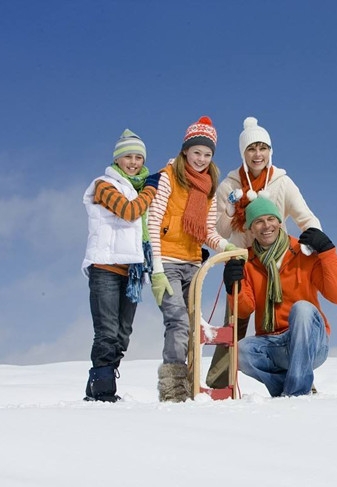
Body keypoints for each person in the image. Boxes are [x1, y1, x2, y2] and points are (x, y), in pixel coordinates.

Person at [208, 116, 321, 388]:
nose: (257, 154)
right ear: (243, 153)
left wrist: (310, 246)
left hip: (274, 262)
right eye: (251, 149)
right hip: (242, 262)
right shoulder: (229, 185)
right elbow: (219, 230)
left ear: (270, 151)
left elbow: (307, 219)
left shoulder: (282, 183)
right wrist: (230, 211)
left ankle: (299, 378)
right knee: (235, 321)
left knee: (282, 325)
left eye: (263, 148)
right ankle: (219, 384)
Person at [147, 115, 236, 402]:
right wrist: (156, 269)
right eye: (196, 152)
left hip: (193, 264)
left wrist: (226, 246)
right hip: (167, 263)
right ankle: (172, 388)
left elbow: (207, 230)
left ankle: (189, 384)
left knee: (192, 325)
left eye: (207, 154)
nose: (201, 159)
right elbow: (152, 222)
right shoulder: (167, 178)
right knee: (178, 322)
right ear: (185, 151)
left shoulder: (208, 185)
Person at [222, 197, 337, 397]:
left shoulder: (303, 252)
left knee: (302, 309)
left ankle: (297, 393)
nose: (266, 226)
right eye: (258, 221)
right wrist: (233, 287)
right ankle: (290, 388)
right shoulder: (247, 260)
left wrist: (327, 251)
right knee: (240, 352)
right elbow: (245, 310)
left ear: (280, 222)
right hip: (273, 342)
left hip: (311, 342)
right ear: (251, 229)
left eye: (271, 219)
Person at [81, 129, 160, 402]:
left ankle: (97, 385)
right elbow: (129, 211)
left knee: (122, 334)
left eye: (139, 157)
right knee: (106, 332)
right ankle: (104, 391)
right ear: (117, 159)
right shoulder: (104, 185)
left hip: (132, 272)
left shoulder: (139, 188)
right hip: (105, 268)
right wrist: (150, 189)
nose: (134, 162)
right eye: (128, 157)